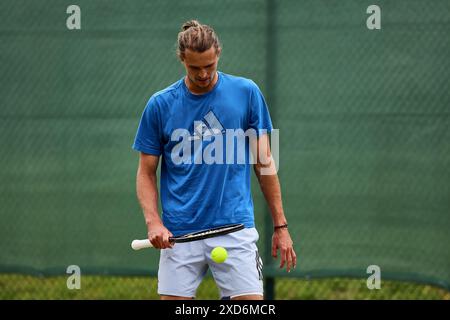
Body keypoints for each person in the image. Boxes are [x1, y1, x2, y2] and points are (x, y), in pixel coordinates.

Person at [133, 20, 296, 300]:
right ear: (182, 59)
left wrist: (281, 226)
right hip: (179, 236)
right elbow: (146, 172)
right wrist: (153, 223)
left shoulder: (247, 93)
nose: (204, 74)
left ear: (218, 53)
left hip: (235, 229)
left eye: (209, 65)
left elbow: (265, 163)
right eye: (195, 67)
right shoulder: (160, 105)